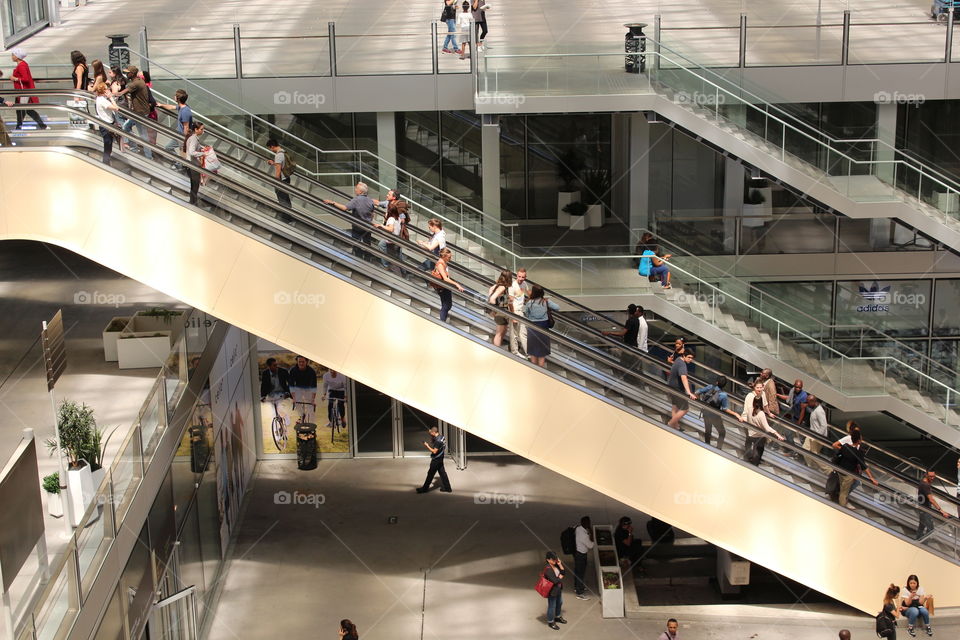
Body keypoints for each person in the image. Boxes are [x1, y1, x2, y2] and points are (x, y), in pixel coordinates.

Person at [325, 182, 376, 261]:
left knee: (357, 244)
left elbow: (345, 208)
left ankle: (359, 260)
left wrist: (333, 203)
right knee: (367, 244)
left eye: (356, 188)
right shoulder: (370, 201)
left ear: (360, 191)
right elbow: (372, 214)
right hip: (368, 227)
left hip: (357, 227)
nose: (355, 190)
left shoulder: (356, 200)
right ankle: (367, 260)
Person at [830, 427, 877, 508]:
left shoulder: (845, 446)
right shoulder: (858, 452)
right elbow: (864, 466)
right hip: (848, 475)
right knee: (843, 494)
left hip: (839, 471)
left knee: (841, 488)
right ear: (858, 441)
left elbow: (839, 455)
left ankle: (835, 498)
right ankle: (841, 509)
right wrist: (871, 477)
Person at [694, 375, 743, 450]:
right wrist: (736, 414)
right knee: (722, 432)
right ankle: (718, 449)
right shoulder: (723, 395)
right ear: (725, 385)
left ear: (716, 382)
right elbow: (725, 409)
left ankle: (707, 446)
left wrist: (699, 401)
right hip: (715, 415)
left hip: (705, 412)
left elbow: (697, 392)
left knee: (708, 430)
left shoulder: (710, 387)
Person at [115, 66, 153, 158]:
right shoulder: (139, 81)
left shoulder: (135, 84)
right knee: (126, 127)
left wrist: (108, 94)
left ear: (132, 73)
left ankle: (148, 156)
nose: (126, 74)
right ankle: (135, 147)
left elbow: (120, 93)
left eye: (128, 73)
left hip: (140, 113)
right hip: (139, 111)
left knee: (143, 135)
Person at [602, 304, 648, 370]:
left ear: (628, 311)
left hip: (628, 347)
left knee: (624, 365)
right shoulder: (637, 320)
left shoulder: (630, 321)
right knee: (632, 366)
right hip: (634, 345)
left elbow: (622, 333)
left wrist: (609, 332)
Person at [523, 285, 559, 368]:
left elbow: (527, 314)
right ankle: (541, 371)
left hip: (532, 328)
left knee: (533, 351)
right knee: (542, 353)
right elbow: (557, 307)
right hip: (543, 327)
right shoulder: (545, 301)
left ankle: (534, 370)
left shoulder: (529, 303)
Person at [10, 48, 45, 130]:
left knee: (25, 109)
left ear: (17, 56)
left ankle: (41, 125)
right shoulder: (22, 64)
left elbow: (25, 79)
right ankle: (19, 126)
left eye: (13, 55)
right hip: (21, 92)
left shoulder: (21, 65)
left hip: (23, 92)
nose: (11, 56)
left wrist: (15, 78)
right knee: (21, 110)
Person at [743, 396, 784, 466]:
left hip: (750, 433)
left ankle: (748, 459)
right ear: (761, 403)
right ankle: (754, 465)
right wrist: (777, 434)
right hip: (759, 436)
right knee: (758, 452)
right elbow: (767, 428)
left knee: (751, 447)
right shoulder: (761, 414)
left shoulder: (750, 409)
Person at [157, 89, 192, 168]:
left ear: (178, 99)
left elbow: (186, 127)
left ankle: (180, 164)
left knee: (169, 148)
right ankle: (180, 163)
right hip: (179, 134)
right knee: (172, 149)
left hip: (182, 136)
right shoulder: (182, 107)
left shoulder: (185, 111)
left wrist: (184, 140)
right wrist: (161, 105)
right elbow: (172, 107)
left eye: (175, 96)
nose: (174, 96)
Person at [430, 248, 465, 322]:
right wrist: (456, 284)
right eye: (449, 257)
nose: (450, 258)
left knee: (447, 305)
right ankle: (442, 322)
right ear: (444, 256)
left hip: (445, 286)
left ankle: (443, 321)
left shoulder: (443, 262)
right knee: (446, 305)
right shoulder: (440, 264)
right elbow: (445, 278)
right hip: (442, 287)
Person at [666, 351, 697, 430]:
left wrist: (670, 361)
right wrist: (689, 392)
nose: (690, 359)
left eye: (692, 358)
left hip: (671, 386)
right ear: (684, 356)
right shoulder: (682, 364)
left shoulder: (678, 359)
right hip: (676, 389)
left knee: (675, 406)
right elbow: (684, 378)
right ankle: (670, 424)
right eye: (689, 357)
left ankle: (675, 426)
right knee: (685, 408)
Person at [416, 425, 451, 493]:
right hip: (441, 458)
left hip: (436, 459)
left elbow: (434, 451)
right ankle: (448, 488)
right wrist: (431, 433)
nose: (430, 434)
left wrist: (427, 445)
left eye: (431, 433)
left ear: (434, 432)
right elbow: (435, 438)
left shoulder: (438, 441)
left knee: (430, 474)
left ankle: (424, 489)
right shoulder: (441, 437)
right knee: (443, 473)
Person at [916, 471, 949, 541]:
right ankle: (924, 543)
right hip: (925, 509)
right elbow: (931, 499)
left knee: (922, 526)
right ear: (926, 475)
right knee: (930, 528)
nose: (932, 478)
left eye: (934, 476)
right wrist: (941, 510)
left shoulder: (923, 482)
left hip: (923, 507)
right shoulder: (925, 485)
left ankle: (918, 540)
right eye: (930, 476)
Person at [92, 81, 119, 166]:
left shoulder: (100, 99)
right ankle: (106, 163)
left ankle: (106, 162)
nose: (108, 90)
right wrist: (111, 98)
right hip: (106, 125)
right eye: (107, 89)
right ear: (103, 91)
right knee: (107, 146)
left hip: (106, 124)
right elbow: (116, 108)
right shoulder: (102, 101)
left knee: (109, 145)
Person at [801, 394, 830, 472]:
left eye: (808, 402)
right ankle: (811, 467)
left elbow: (824, 425)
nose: (807, 403)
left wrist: (817, 436)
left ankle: (828, 469)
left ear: (813, 401)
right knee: (805, 449)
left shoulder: (819, 411)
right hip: (812, 434)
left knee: (814, 455)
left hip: (817, 437)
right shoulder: (814, 408)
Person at [266, 138, 294, 217]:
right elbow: (281, 165)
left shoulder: (278, 155)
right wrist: (273, 163)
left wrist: (276, 182)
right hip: (287, 177)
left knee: (282, 199)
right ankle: (289, 215)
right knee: (286, 198)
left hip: (282, 180)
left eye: (269, 148)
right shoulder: (283, 151)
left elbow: (278, 171)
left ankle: (286, 217)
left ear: (272, 146)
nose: (271, 150)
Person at [182, 122, 206, 206]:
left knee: (194, 186)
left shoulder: (193, 138)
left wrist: (202, 149)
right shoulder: (193, 139)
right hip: (193, 165)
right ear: (196, 130)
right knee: (195, 186)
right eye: (201, 129)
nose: (203, 131)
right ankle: (193, 203)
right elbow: (192, 152)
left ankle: (193, 202)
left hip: (191, 165)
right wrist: (203, 154)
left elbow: (193, 149)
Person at [508, 268, 530, 356]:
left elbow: (529, 294)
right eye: (519, 276)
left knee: (523, 333)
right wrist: (513, 316)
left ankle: (528, 353)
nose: (521, 279)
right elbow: (510, 302)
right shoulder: (512, 285)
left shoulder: (524, 284)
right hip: (514, 311)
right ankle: (515, 352)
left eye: (523, 277)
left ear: (525, 277)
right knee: (514, 334)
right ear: (516, 276)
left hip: (521, 311)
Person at [541, 551, 567, 630]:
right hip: (552, 591)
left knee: (560, 602)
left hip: (558, 589)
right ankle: (550, 621)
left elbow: (563, 572)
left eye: (555, 559)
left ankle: (558, 617)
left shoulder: (555, 566)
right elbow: (555, 580)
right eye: (553, 560)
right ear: (548, 560)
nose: (555, 561)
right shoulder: (548, 569)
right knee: (552, 606)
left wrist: (559, 564)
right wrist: (561, 576)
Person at [487, 270, 511, 347]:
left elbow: (490, 296)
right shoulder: (503, 287)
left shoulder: (495, 286)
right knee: (499, 334)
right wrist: (496, 310)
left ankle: (498, 348)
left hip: (500, 313)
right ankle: (497, 350)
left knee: (502, 332)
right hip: (501, 313)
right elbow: (492, 299)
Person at [572, 516, 593, 600]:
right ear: (587, 524)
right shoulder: (584, 536)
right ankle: (579, 593)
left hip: (577, 553)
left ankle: (577, 587)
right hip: (582, 555)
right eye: (588, 522)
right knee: (580, 573)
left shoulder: (578, 528)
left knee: (577, 571)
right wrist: (591, 532)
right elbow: (591, 545)